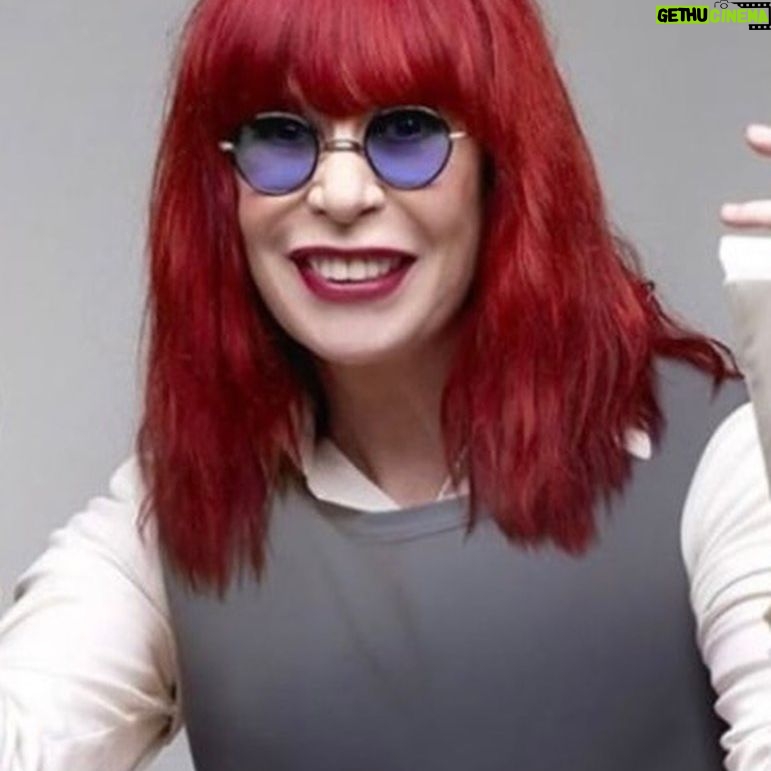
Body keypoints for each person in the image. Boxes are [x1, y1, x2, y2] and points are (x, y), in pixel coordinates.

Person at [1, 0, 770, 769]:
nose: (340, 195)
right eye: (281, 134)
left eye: (406, 131)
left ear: (499, 166)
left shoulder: (720, 461)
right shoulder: (180, 505)